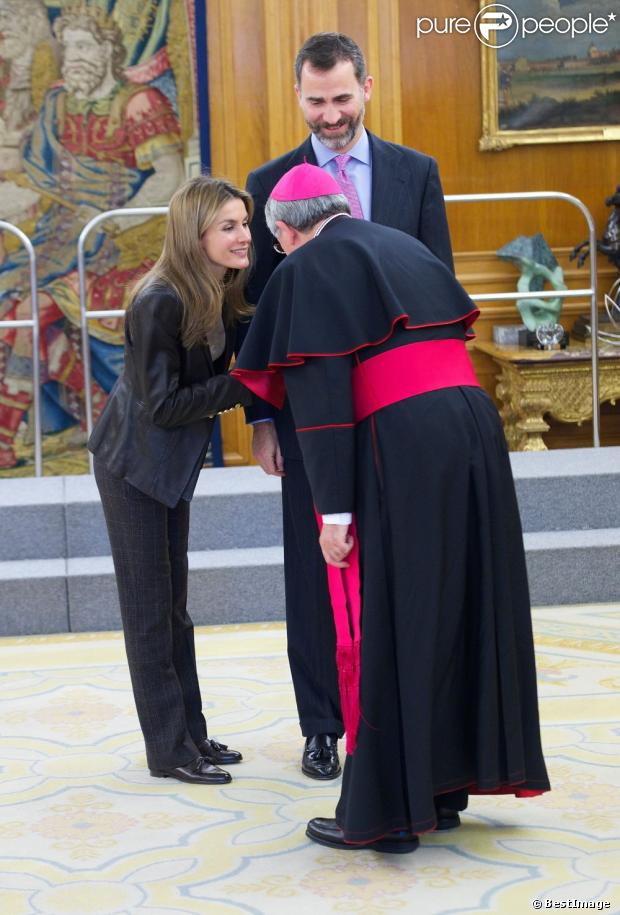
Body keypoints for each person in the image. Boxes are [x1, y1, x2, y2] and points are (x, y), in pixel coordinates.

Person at [233, 163, 550, 852]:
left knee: (390, 613)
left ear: (285, 231)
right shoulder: (400, 244)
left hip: (403, 437)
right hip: (471, 428)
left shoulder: (306, 266)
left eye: (277, 243)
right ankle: (443, 782)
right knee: (457, 600)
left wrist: (336, 513)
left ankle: (384, 813)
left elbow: (319, 404)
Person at [244, 32, 454, 779]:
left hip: (402, 409)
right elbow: (256, 313)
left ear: (367, 86)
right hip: (309, 414)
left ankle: (402, 713)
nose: (330, 115)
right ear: (298, 96)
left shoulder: (416, 173)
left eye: (341, 98)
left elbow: (438, 284)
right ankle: (323, 725)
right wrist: (263, 418)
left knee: (404, 557)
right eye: (315, 100)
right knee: (312, 567)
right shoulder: (268, 181)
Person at [88, 175, 253, 784]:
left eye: (245, 224)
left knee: (175, 610)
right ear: (196, 234)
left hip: (168, 467)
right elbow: (161, 405)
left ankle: (194, 735)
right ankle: (170, 751)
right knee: (151, 612)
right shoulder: (158, 298)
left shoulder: (223, 287)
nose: (244, 236)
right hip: (132, 467)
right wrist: (248, 384)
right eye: (229, 227)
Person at [0, 6, 185, 469]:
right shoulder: (58, 103)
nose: (73, 58)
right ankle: (102, 416)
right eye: (68, 49)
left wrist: (109, 222)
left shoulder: (139, 102)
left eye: (84, 46)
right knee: (10, 303)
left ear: (108, 50)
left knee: (29, 312)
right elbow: (39, 173)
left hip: (124, 244)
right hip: (61, 238)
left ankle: (10, 437)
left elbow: (168, 175)